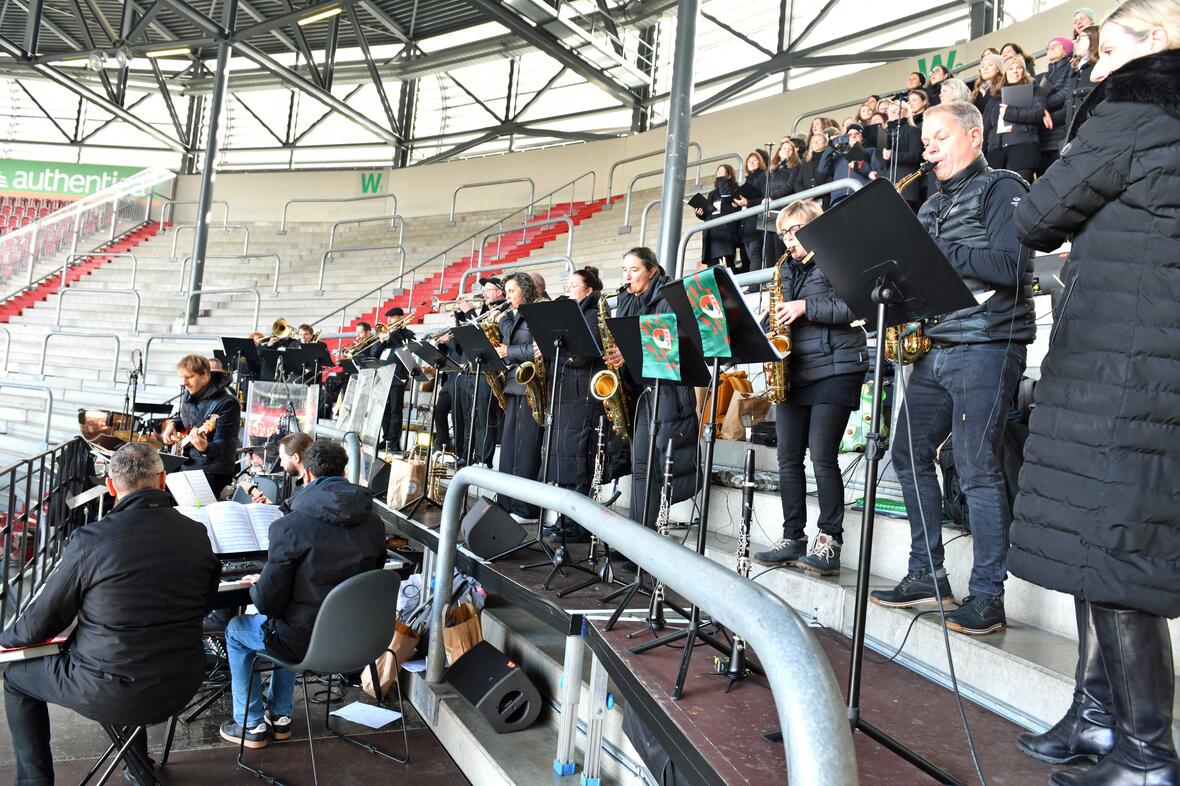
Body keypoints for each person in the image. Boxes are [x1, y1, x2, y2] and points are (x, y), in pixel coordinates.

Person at [1007, 4, 1180, 783]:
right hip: (1146, 358)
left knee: (1113, 554)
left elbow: (1038, 218)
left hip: (1123, 361)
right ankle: (1098, 718)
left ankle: (1148, 755)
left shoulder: (1138, 108)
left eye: (1111, 51)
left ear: (1159, 46)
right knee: (1097, 544)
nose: (1098, 68)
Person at [869, 100, 1033, 636]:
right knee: (906, 453)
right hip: (939, 344)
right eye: (925, 140)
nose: (928, 147)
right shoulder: (931, 204)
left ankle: (988, 596)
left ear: (976, 136)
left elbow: (1011, 266)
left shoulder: (1003, 187)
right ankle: (927, 574)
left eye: (940, 136)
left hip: (988, 344)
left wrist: (935, 254)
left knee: (976, 464)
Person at [2, 443, 220, 786]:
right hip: (181, 683)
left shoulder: (90, 540)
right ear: (162, 481)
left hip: (109, 688)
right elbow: (205, 605)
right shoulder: (197, 535)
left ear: (111, 486)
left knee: (16, 678)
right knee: (126, 661)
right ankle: (138, 769)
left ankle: (34, 782)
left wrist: (6, 641)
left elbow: (42, 623)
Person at [219, 439, 385, 748]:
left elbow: (267, 602)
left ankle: (251, 722)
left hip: (305, 643)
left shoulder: (291, 526)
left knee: (237, 630)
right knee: (291, 617)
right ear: (344, 472)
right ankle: (280, 716)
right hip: (359, 640)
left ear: (306, 474)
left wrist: (261, 582)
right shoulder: (374, 524)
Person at [752, 200, 867, 575]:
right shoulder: (785, 269)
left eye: (796, 231)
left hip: (837, 368)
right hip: (794, 371)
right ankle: (793, 536)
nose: (789, 240)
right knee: (787, 458)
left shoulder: (840, 256)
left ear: (816, 228)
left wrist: (804, 307)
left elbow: (855, 306)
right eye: (785, 233)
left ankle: (830, 540)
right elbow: (778, 314)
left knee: (821, 456)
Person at [606, 248, 699, 529]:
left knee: (654, 467)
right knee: (639, 467)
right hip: (639, 391)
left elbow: (674, 344)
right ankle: (637, 536)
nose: (627, 276)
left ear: (652, 270)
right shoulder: (625, 299)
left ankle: (647, 537)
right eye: (624, 270)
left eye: (634, 270)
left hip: (667, 392)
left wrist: (630, 354)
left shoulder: (670, 297)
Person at [547, 267, 625, 542]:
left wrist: (559, 347)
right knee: (567, 463)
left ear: (589, 290)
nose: (568, 290)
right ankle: (566, 521)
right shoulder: (574, 315)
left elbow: (581, 356)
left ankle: (577, 526)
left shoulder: (591, 315)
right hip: (570, 395)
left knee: (579, 462)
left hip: (585, 398)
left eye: (573, 286)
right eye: (567, 285)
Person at [494, 272, 544, 522]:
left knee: (525, 449)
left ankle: (524, 508)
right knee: (510, 447)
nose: (507, 295)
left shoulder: (538, 311)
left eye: (511, 291)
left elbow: (538, 349)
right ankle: (505, 501)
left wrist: (508, 351)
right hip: (514, 385)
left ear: (525, 290)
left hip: (530, 386)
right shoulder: (516, 315)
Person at [161, 353, 241, 494]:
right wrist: (173, 425)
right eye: (183, 378)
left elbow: (225, 443)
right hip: (187, 463)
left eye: (189, 377)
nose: (184, 383)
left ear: (204, 375)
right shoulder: (190, 392)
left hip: (212, 472)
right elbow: (189, 422)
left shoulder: (228, 403)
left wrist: (206, 449)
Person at [984, 55, 1047, 181]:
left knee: (1020, 191)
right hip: (996, 152)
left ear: (1024, 71)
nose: (1015, 71)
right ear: (1005, 72)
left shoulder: (1034, 89)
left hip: (1023, 149)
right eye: (1011, 68)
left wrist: (1009, 112)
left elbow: (1038, 112)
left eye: (1019, 67)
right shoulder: (995, 97)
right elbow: (986, 127)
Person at [876, 99, 926, 210]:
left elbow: (916, 155)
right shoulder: (884, 133)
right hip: (886, 187)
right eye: (891, 110)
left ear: (907, 112)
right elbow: (880, 162)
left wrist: (892, 155)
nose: (893, 112)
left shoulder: (912, 130)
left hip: (906, 188)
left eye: (898, 109)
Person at [694, 164, 743, 268]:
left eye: (722, 173)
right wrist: (700, 213)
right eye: (718, 173)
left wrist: (721, 181)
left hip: (725, 235)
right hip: (712, 236)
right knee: (712, 269)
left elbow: (729, 203)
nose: (719, 175)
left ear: (729, 175)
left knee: (726, 268)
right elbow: (708, 212)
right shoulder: (712, 194)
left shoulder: (735, 190)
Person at [246, 431, 313, 507]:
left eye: (283, 459)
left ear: (296, 458)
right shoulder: (305, 484)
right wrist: (268, 506)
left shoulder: (309, 489)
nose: (281, 464)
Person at [733, 150, 772, 273]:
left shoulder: (763, 176)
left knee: (755, 253)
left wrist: (748, 203)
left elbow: (766, 198)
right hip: (747, 222)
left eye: (755, 160)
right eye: (749, 161)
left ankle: (755, 285)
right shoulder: (747, 180)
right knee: (750, 254)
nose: (751, 162)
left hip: (758, 219)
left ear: (760, 162)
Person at [1042, 36, 1076, 172]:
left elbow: (1065, 93)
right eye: (1048, 47)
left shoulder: (1071, 67)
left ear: (1066, 49)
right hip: (1043, 135)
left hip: (1060, 133)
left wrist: (1041, 106)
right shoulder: (1047, 74)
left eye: (1055, 46)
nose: (1050, 48)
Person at [817, 123, 873, 204]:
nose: (853, 136)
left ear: (863, 137)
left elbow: (874, 172)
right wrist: (832, 146)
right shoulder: (838, 154)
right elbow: (822, 170)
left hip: (861, 194)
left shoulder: (870, 151)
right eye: (849, 134)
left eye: (857, 133)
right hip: (838, 197)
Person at [1065, 25, 1100, 133]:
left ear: (1093, 38)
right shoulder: (1074, 72)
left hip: (1094, 130)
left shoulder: (1099, 68)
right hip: (1075, 133)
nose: (1075, 43)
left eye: (1080, 39)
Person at [972, 53, 1005, 153]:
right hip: (979, 135)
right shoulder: (976, 92)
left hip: (995, 138)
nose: (985, 68)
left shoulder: (1003, 88)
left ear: (998, 68)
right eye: (982, 66)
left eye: (990, 65)